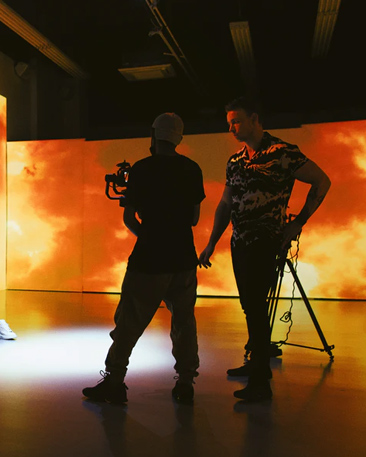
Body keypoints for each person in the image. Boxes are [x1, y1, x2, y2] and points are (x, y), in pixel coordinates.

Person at [198, 97, 331, 401]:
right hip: (240, 240)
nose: (231, 127)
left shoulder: (282, 153)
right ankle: (257, 364)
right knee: (250, 305)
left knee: (256, 306)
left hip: (265, 239)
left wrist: (298, 223)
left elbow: (321, 181)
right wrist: (212, 242)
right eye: (229, 122)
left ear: (255, 119)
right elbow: (226, 202)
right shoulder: (236, 161)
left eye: (237, 121)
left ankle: (260, 379)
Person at [83, 113, 205, 405]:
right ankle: (185, 382)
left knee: (129, 322)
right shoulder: (192, 169)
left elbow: (129, 218)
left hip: (149, 259)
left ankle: (114, 381)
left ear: (154, 135)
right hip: (184, 259)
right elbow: (194, 218)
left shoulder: (142, 169)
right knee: (184, 323)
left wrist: (148, 234)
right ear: (179, 137)